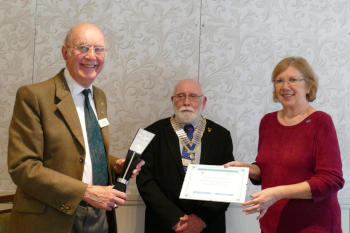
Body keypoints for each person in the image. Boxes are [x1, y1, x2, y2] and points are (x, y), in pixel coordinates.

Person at [7, 23, 144, 233]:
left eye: (98, 49)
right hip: (50, 220)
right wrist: (85, 192)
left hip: (97, 219)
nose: (92, 56)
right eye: (83, 48)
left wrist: (114, 165)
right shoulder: (34, 96)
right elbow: (23, 168)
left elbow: (86, 152)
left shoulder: (99, 97)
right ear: (65, 52)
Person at [225, 56, 344, 233]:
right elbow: (269, 170)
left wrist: (277, 193)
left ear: (309, 85)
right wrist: (248, 168)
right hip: (273, 223)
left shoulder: (321, 122)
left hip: (314, 225)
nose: (285, 86)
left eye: (293, 80)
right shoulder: (268, 122)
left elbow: (331, 180)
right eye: (279, 80)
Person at [136, 79, 234, 233]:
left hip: (207, 226)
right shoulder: (150, 133)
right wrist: (174, 219)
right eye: (180, 96)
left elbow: (228, 182)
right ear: (172, 100)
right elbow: (145, 182)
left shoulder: (221, 136)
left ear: (204, 101)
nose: (186, 102)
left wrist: (201, 219)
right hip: (163, 225)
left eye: (193, 96)